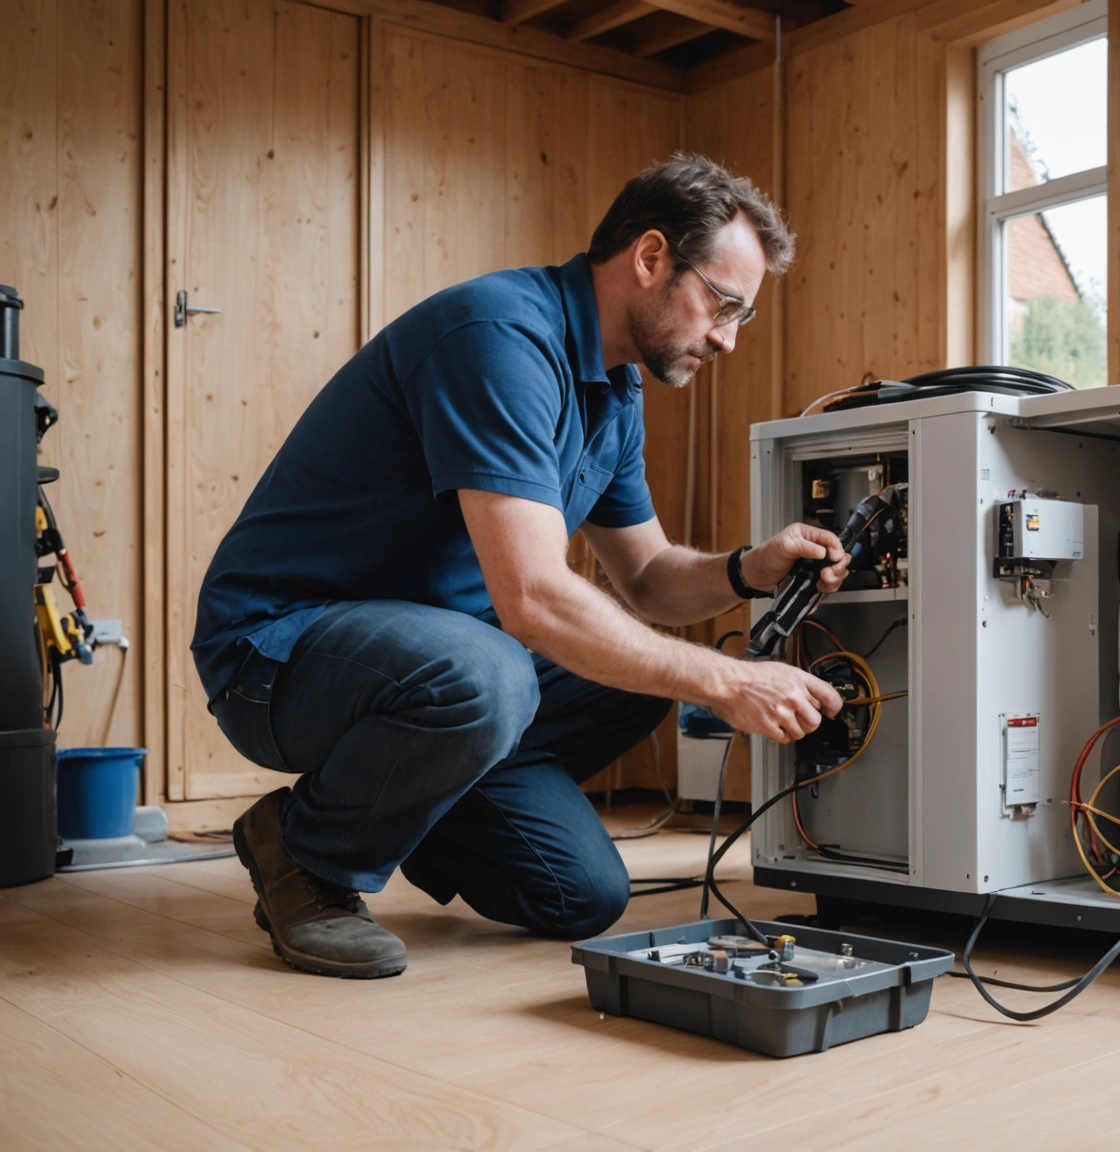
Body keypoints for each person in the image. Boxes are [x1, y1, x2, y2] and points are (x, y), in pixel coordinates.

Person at [191, 154, 846, 979]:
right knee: (500, 669)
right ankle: (306, 856)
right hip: (278, 653)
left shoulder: (613, 390)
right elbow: (534, 598)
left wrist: (752, 567)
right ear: (650, 258)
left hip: (446, 668)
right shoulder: (497, 336)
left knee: (579, 891)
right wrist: (727, 685)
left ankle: (415, 796)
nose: (728, 339)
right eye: (723, 304)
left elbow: (648, 577)